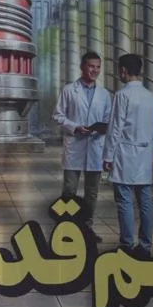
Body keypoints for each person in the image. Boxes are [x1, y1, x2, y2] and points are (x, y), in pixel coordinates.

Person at [104, 53, 153, 258]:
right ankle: (145, 247)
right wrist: (150, 154)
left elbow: (115, 128)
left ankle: (127, 244)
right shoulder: (150, 96)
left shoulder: (122, 95)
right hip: (145, 153)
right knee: (145, 201)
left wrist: (108, 156)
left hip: (125, 154)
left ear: (124, 71)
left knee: (125, 201)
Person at [54, 52, 111, 214]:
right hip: (74, 146)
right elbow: (57, 115)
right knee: (69, 191)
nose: (95, 70)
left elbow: (108, 120)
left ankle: (87, 228)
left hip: (95, 146)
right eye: (91, 66)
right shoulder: (69, 90)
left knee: (92, 192)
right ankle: (66, 228)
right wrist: (75, 127)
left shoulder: (104, 94)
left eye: (98, 67)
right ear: (82, 67)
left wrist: (101, 128)